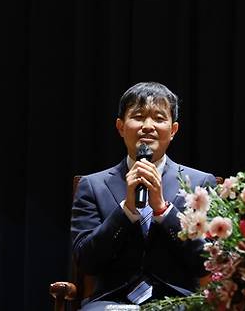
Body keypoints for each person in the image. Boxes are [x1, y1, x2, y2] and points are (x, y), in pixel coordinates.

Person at [71, 82, 216, 310]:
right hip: (111, 302)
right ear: (120, 127)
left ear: (173, 130)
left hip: (176, 301)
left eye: (159, 118)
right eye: (138, 117)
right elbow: (87, 261)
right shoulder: (92, 185)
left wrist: (163, 211)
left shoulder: (198, 184)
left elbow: (207, 260)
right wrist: (126, 210)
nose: (148, 126)